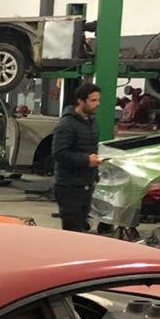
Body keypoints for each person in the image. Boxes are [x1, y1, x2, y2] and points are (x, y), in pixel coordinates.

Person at [52, 80, 101, 232]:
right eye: (93, 100)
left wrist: (94, 177)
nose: (97, 104)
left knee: (81, 229)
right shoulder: (67, 124)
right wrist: (86, 160)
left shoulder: (92, 123)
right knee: (73, 230)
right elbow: (59, 153)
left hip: (85, 183)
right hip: (69, 186)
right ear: (81, 101)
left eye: (98, 100)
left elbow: (92, 150)